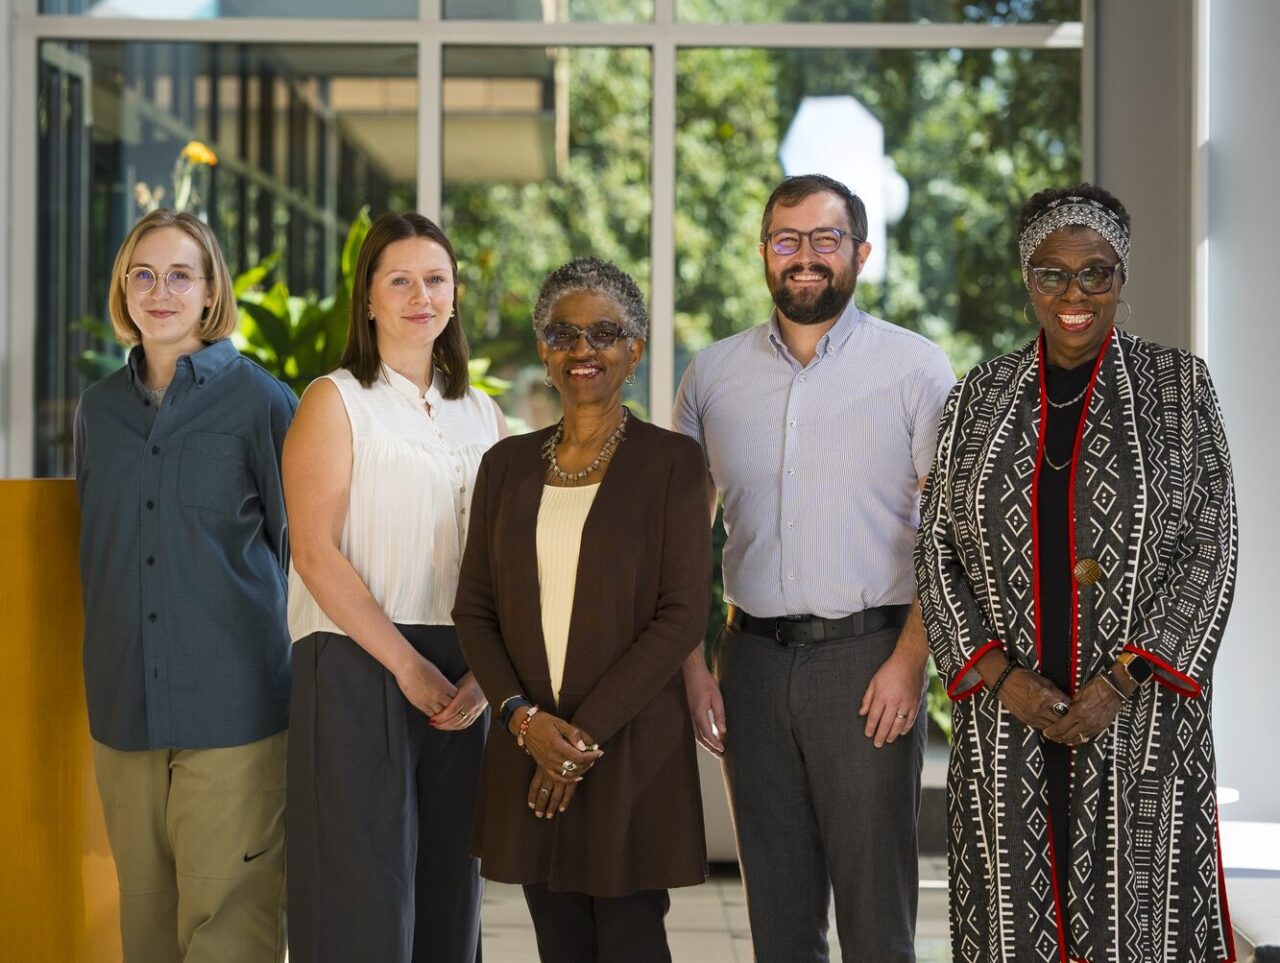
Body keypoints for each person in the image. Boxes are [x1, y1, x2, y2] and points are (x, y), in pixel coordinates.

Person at [915, 183, 1237, 963]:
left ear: (1121, 277)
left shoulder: (1179, 386)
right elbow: (935, 547)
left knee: (1141, 922)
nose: (1074, 295)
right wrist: (999, 675)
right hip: (1007, 721)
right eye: (1052, 274)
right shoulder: (979, 395)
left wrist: (1124, 678)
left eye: (1095, 273)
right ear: (1027, 280)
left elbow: (1212, 544)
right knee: (1012, 922)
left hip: (1142, 715)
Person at [674, 174, 956, 962]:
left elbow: (948, 533)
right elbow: (680, 539)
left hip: (869, 663)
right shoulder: (712, 376)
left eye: (825, 239)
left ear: (860, 252)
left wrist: (911, 661)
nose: (805, 256)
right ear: (764, 252)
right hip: (750, 664)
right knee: (779, 918)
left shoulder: (915, 367)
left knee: (876, 919)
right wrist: (691, 665)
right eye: (786, 239)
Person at [453, 256, 711, 963]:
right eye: (563, 335)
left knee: (631, 940)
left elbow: (682, 614)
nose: (582, 350)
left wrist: (576, 742)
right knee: (558, 941)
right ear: (544, 351)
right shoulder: (504, 466)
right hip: (528, 742)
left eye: (604, 333)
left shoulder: (673, 463)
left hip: (628, 747)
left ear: (636, 349)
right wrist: (524, 721)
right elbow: (474, 610)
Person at [74, 209, 295, 962]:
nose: (159, 291)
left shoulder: (262, 402)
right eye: (142, 274)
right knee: (144, 930)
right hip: (124, 708)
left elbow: (299, 553)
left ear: (209, 292)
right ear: (123, 290)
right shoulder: (98, 410)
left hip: (235, 709)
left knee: (231, 929)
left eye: (179, 275)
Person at [283, 211, 503, 963]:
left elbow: (505, 559)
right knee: (361, 901)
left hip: (463, 674)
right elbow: (314, 553)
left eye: (435, 279)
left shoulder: (482, 413)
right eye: (400, 280)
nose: (421, 295)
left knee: (450, 896)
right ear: (368, 298)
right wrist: (406, 666)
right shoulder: (334, 400)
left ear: (455, 295)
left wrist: (487, 673)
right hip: (354, 660)